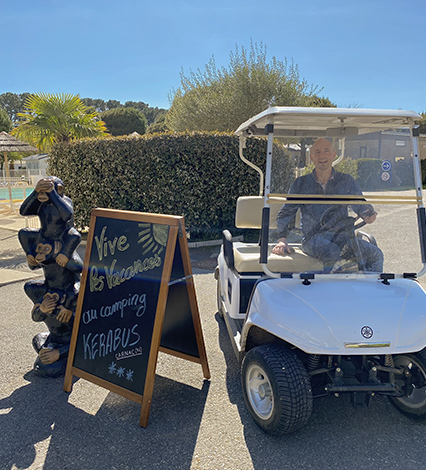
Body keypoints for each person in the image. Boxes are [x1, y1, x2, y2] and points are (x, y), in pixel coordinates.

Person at [272, 138, 384, 272]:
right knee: (332, 252)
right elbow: (287, 212)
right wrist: (282, 239)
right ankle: (330, 290)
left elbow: (359, 203)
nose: (322, 156)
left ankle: (370, 289)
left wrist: (367, 213)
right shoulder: (301, 184)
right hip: (313, 238)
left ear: (333, 155)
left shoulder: (346, 181)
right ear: (312, 157)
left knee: (375, 255)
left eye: (326, 151)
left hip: (342, 236)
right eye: (317, 152)